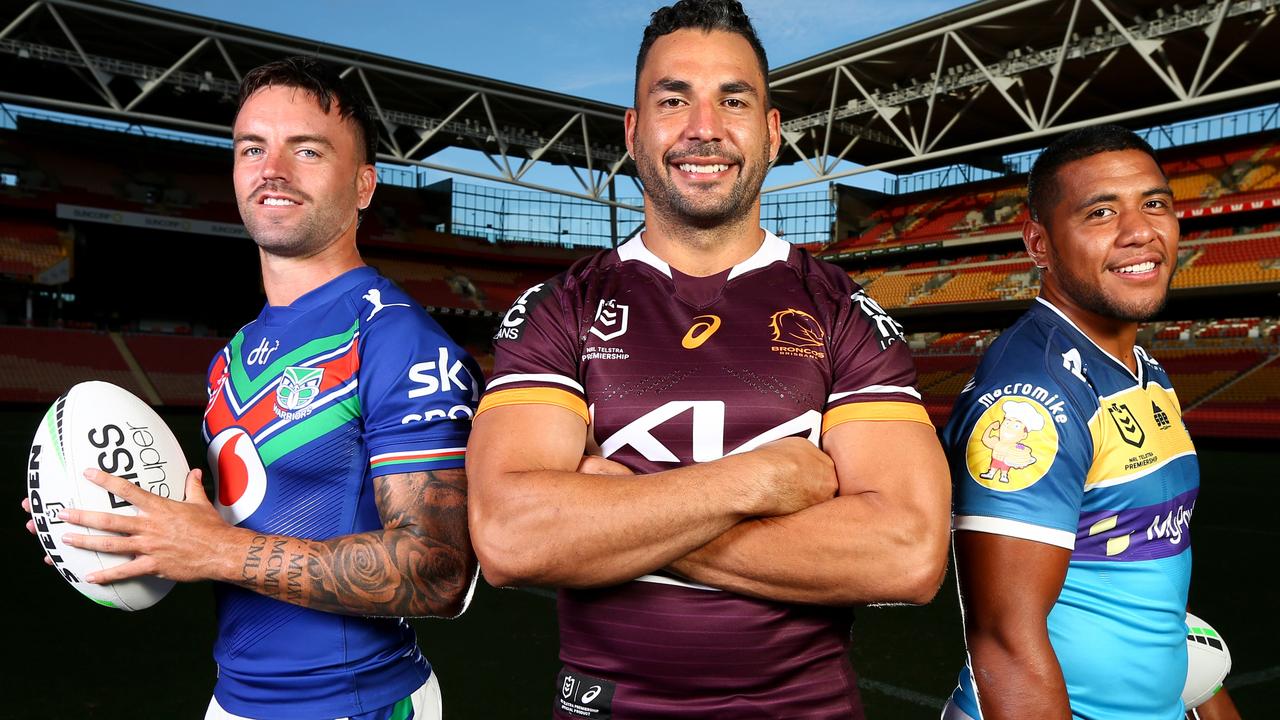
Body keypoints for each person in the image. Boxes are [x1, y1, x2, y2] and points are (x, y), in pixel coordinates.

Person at [466, 1, 951, 717]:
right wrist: (756, 480)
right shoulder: (560, 308)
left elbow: (908, 552)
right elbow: (511, 537)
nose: (704, 128)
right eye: (673, 99)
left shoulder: (841, 309)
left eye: (733, 99)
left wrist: (613, 507)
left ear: (772, 130)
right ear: (633, 132)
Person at [24, 57, 480, 720]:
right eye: (252, 147)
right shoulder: (229, 360)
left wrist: (212, 547)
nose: (273, 169)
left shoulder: (397, 340)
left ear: (363, 185)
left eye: (307, 149)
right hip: (234, 699)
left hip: (358, 705)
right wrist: (103, 528)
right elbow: (226, 539)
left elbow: (438, 570)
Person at [941, 125, 1240, 720]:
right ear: (1040, 244)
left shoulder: (1146, 371)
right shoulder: (1032, 397)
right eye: (1101, 212)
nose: (1141, 232)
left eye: (1155, 204)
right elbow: (1006, 643)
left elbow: (1146, 567)